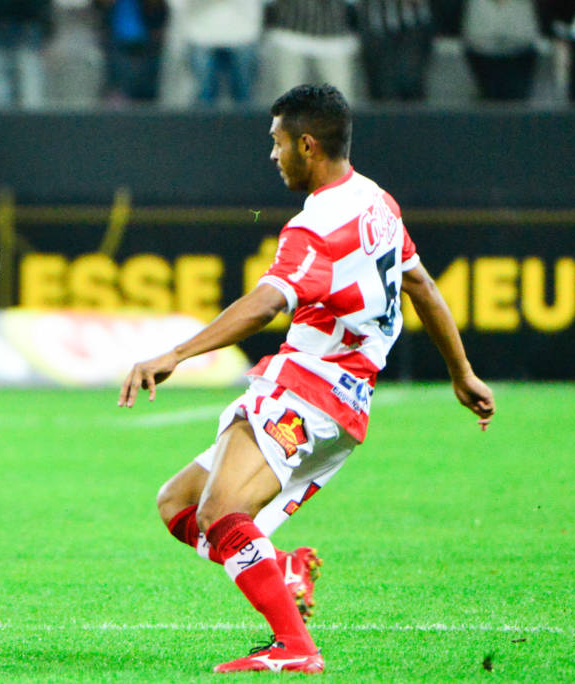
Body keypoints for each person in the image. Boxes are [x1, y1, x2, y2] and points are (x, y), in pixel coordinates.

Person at [118, 83, 494, 674]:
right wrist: (462, 374)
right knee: (178, 503)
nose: (272, 155)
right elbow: (421, 285)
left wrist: (177, 353)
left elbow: (267, 303)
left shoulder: (317, 225)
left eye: (277, 142)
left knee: (220, 513)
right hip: (343, 404)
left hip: (307, 390)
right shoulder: (377, 202)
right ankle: (284, 570)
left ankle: (294, 647)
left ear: (307, 145)